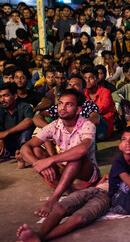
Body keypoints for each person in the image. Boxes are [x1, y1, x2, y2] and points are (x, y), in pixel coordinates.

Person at [18, 89, 100, 217]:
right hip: (64, 172)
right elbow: (25, 147)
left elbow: (83, 149)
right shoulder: (55, 125)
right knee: (36, 151)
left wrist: (50, 160)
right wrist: (37, 164)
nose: (62, 108)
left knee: (76, 156)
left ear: (78, 110)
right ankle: (69, 190)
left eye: (69, 104)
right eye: (61, 103)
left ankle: (53, 199)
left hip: (85, 175)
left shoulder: (87, 125)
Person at [82, 67, 114, 139]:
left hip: (103, 126)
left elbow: (102, 109)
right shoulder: (83, 93)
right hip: (88, 123)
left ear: (97, 79)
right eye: (85, 78)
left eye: (90, 78)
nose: (87, 81)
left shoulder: (106, 92)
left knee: (96, 116)